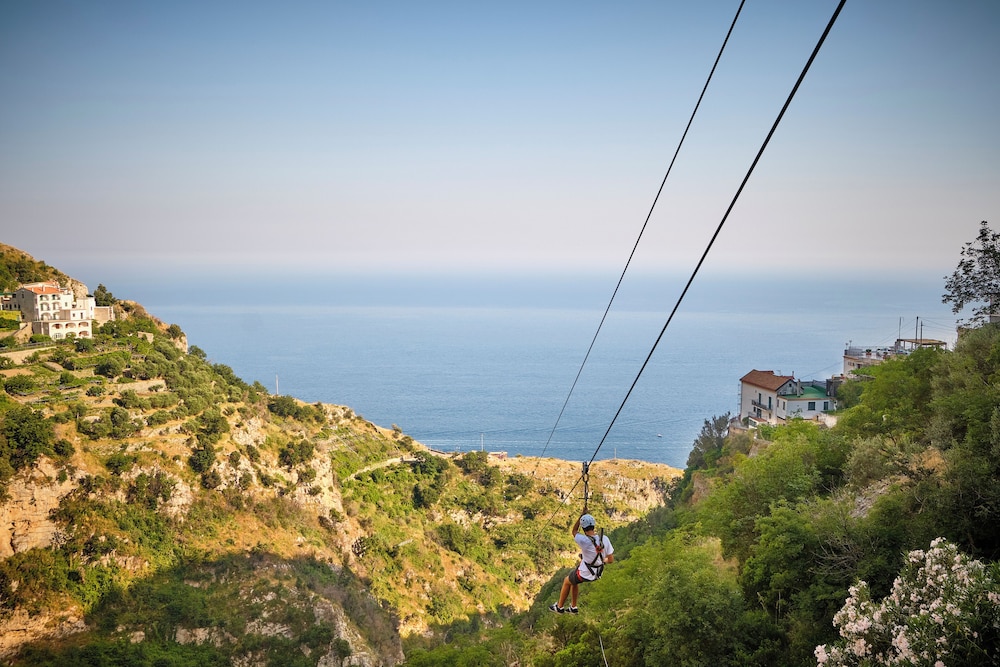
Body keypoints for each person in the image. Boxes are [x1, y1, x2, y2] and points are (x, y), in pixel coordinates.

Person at [549, 512, 613, 614]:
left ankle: (559, 607)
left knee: (566, 581)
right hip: (598, 572)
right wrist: (601, 561)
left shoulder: (583, 540)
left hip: (586, 573)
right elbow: (610, 560)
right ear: (594, 525)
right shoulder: (604, 539)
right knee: (573, 580)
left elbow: (574, 531)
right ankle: (573, 607)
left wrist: (581, 516)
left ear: (583, 528)